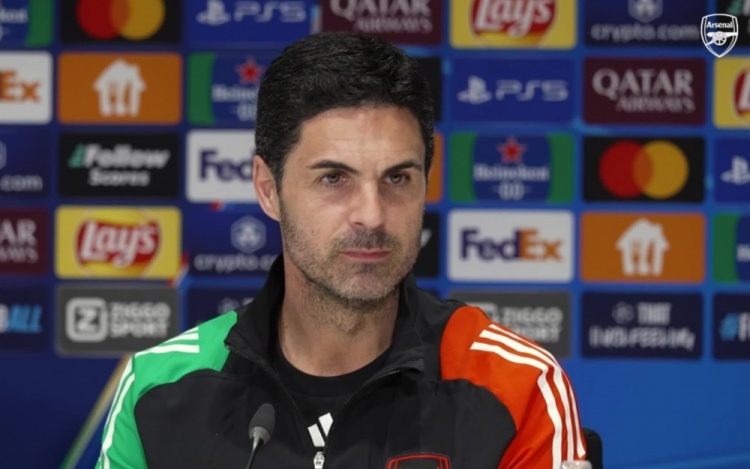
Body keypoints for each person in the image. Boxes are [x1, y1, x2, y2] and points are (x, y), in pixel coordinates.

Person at [96, 32, 587, 469]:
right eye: (334, 178)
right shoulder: (157, 392)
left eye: (398, 178)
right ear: (268, 189)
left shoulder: (518, 386)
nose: (371, 215)